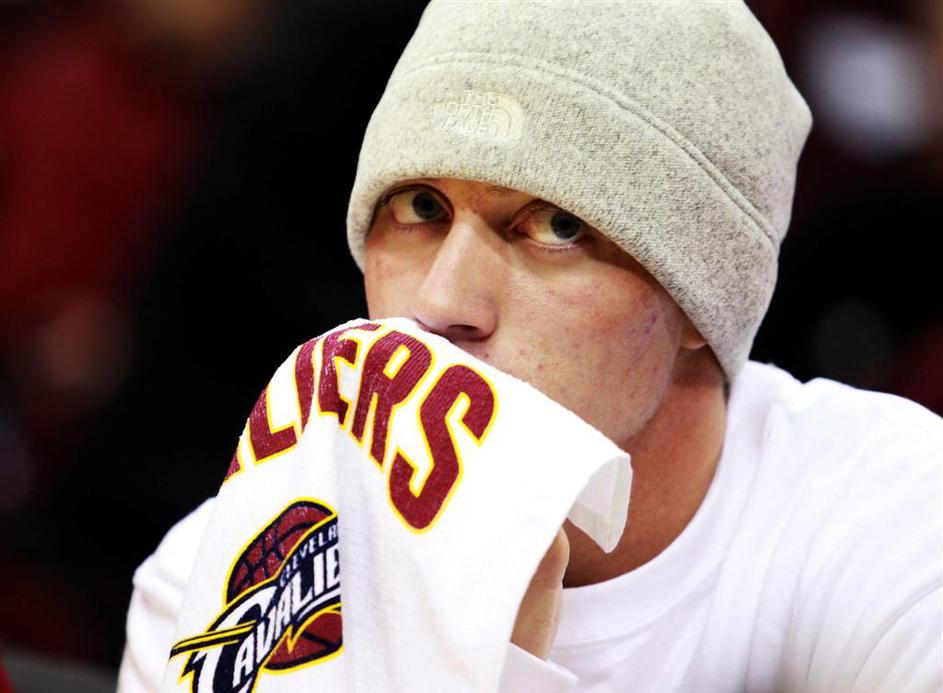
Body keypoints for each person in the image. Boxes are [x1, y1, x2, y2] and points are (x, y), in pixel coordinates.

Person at [121, 1, 943, 691]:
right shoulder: (215, 579)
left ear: (705, 297)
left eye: (555, 225)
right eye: (419, 207)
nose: (441, 303)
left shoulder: (892, 521)